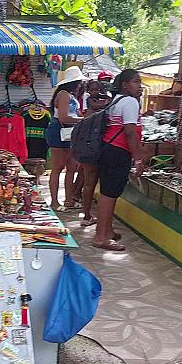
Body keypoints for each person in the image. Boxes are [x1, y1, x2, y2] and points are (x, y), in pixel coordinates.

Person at [92, 69, 143, 251]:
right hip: (118, 152)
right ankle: (101, 237)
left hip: (109, 149)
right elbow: (130, 132)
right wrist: (138, 159)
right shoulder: (129, 102)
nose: (139, 86)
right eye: (136, 82)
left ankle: (107, 231)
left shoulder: (117, 100)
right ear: (125, 84)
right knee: (109, 196)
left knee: (108, 194)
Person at [45, 66, 86, 211]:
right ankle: (54, 202)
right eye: (80, 82)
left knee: (71, 168)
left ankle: (69, 200)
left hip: (70, 133)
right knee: (57, 168)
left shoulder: (72, 96)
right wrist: (82, 120)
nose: (81, 85)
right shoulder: (63, 95)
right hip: (59, 132)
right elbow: (63, 117)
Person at [71, 80, 110, 224]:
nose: (95, 92)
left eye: (97, 89)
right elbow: (97, 105)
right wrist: (108, 101)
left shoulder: (97, 103)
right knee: (88, 180)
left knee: (87, 180)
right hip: (92, 146)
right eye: (92, 89)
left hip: (90, 146)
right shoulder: (92, 102)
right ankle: (87, 215)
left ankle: (86, 212)